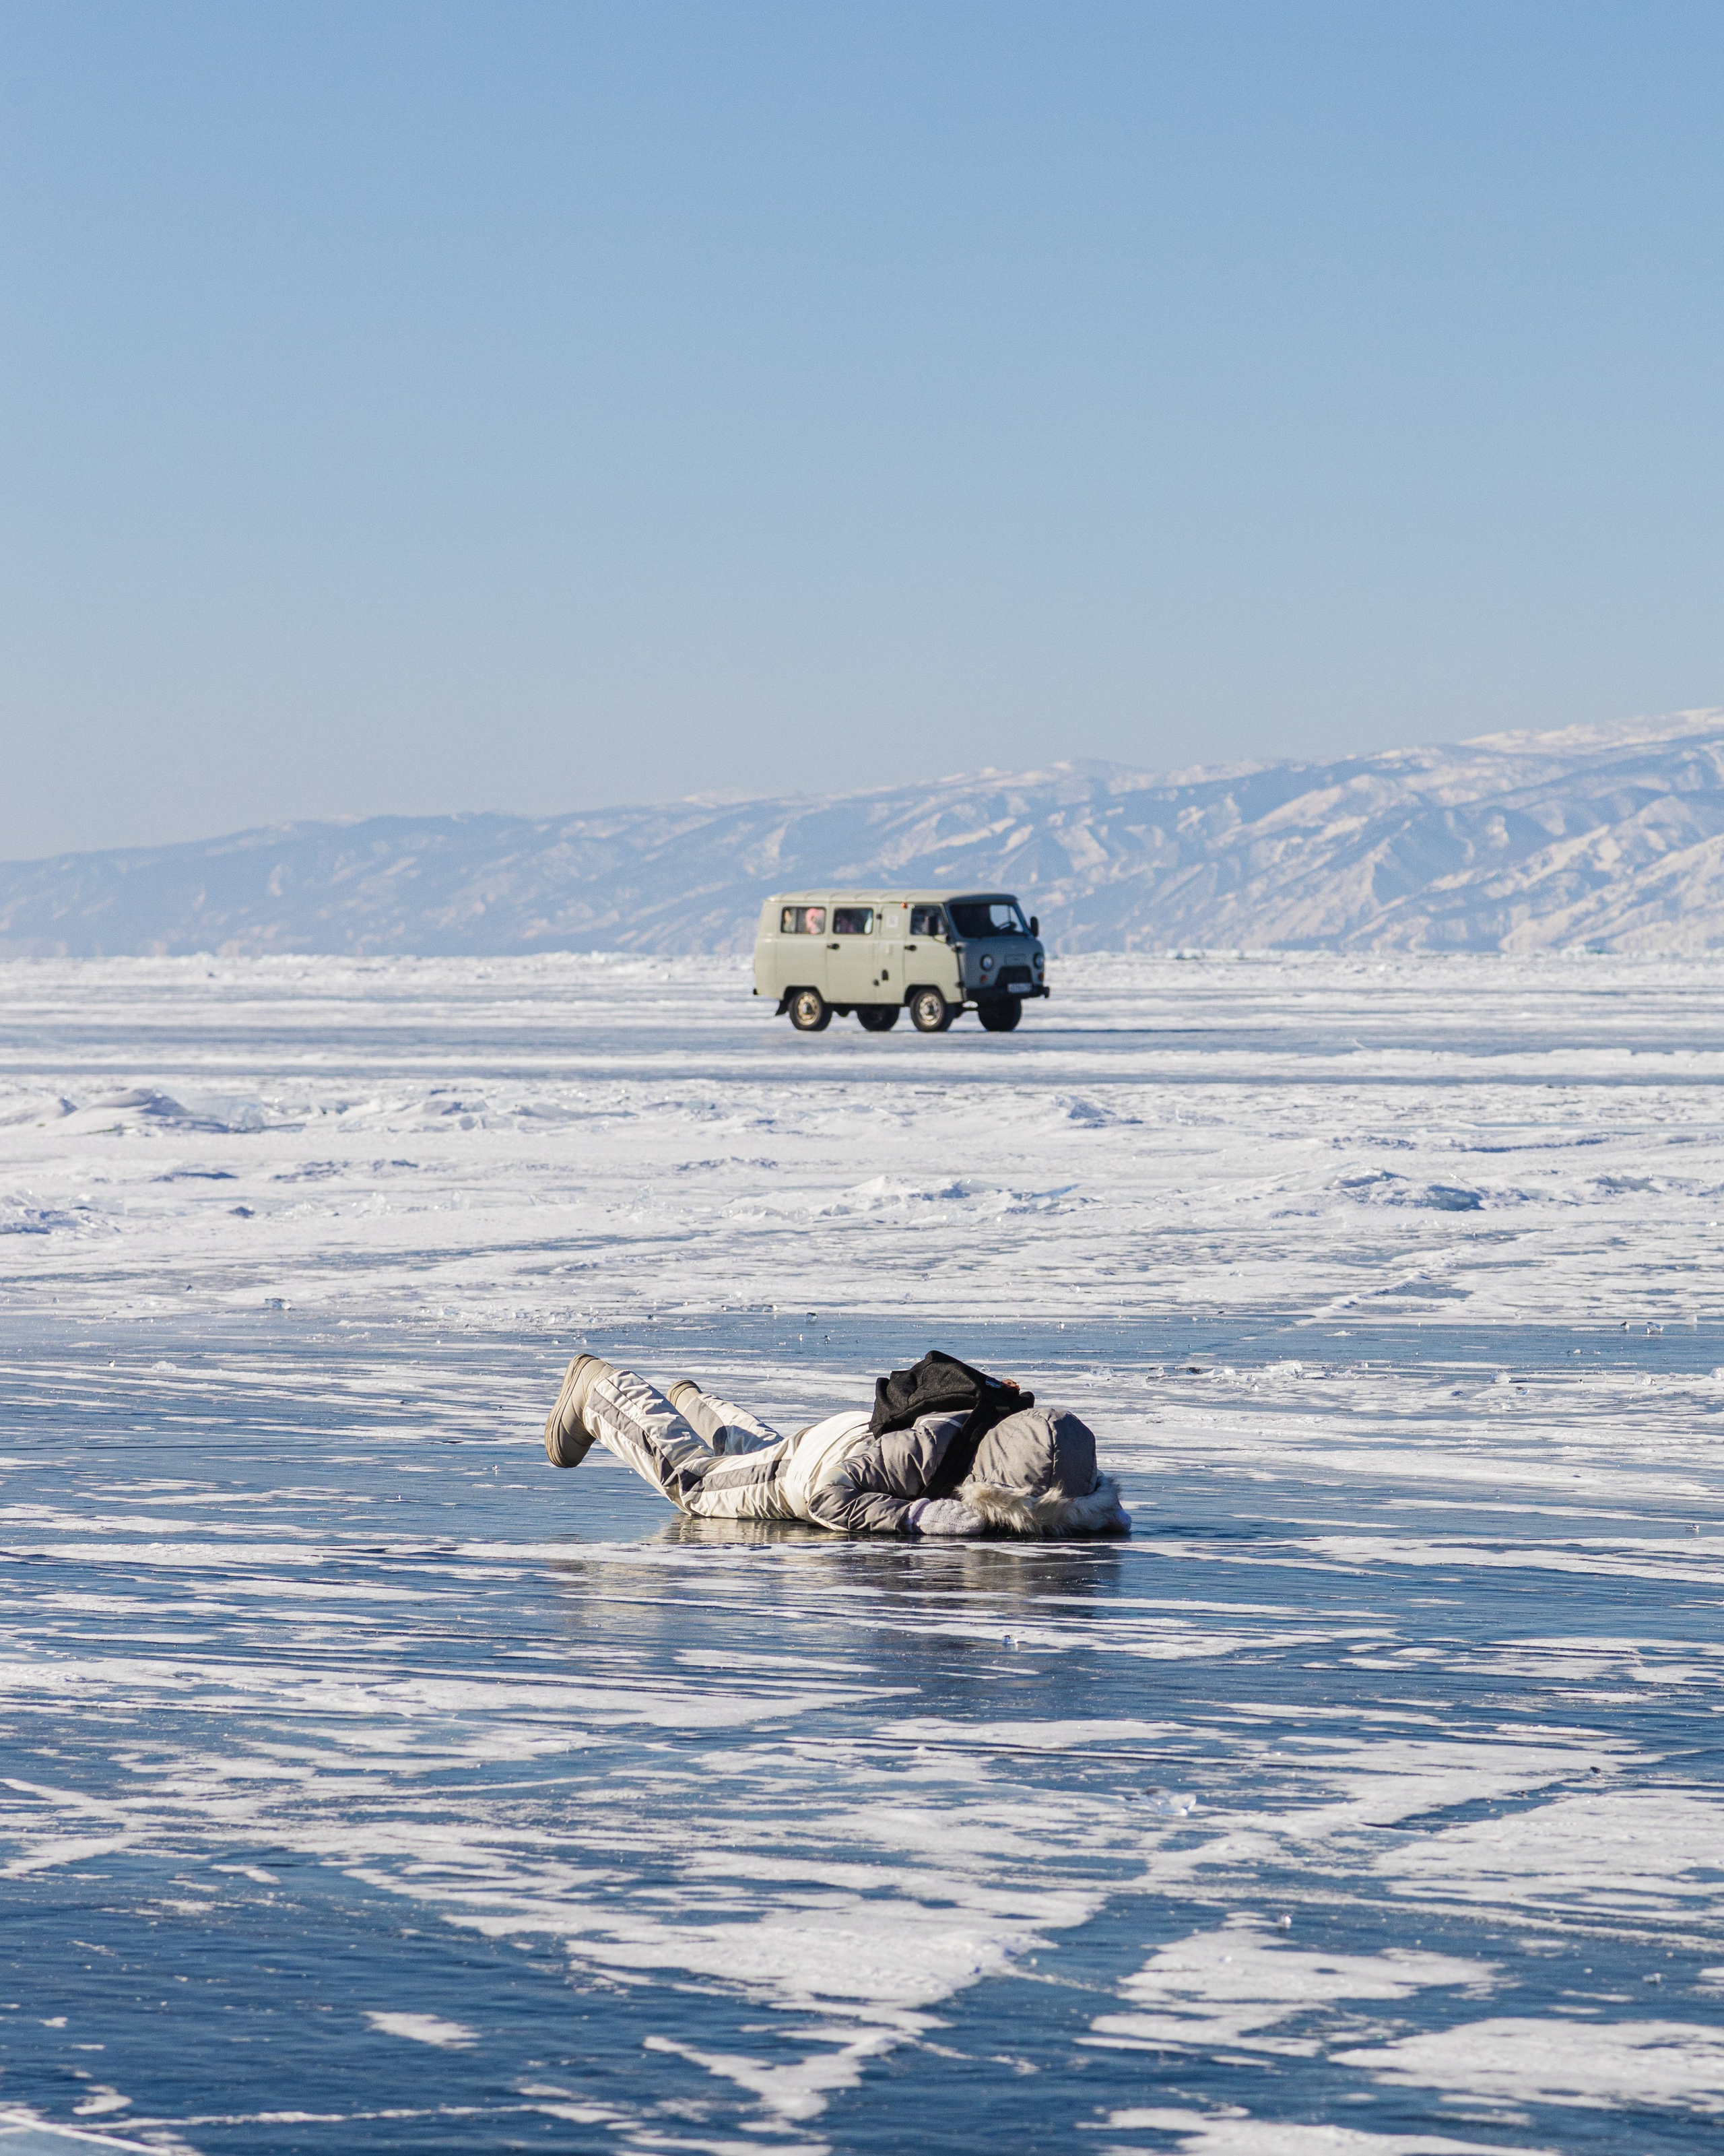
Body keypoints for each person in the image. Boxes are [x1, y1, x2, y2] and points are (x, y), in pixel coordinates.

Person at [541, 1350, 1130, 1538]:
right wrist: (915, 1516)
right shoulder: (926, 1450)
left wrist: (1099, 1513)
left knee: (755, 1458)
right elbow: (829, 1495)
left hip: (843, 1442)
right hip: (822, 1469)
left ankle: (692, 1404)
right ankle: (601, 1391)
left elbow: (1073, 1494)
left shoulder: (1029, 1444)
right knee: (695, 1483)